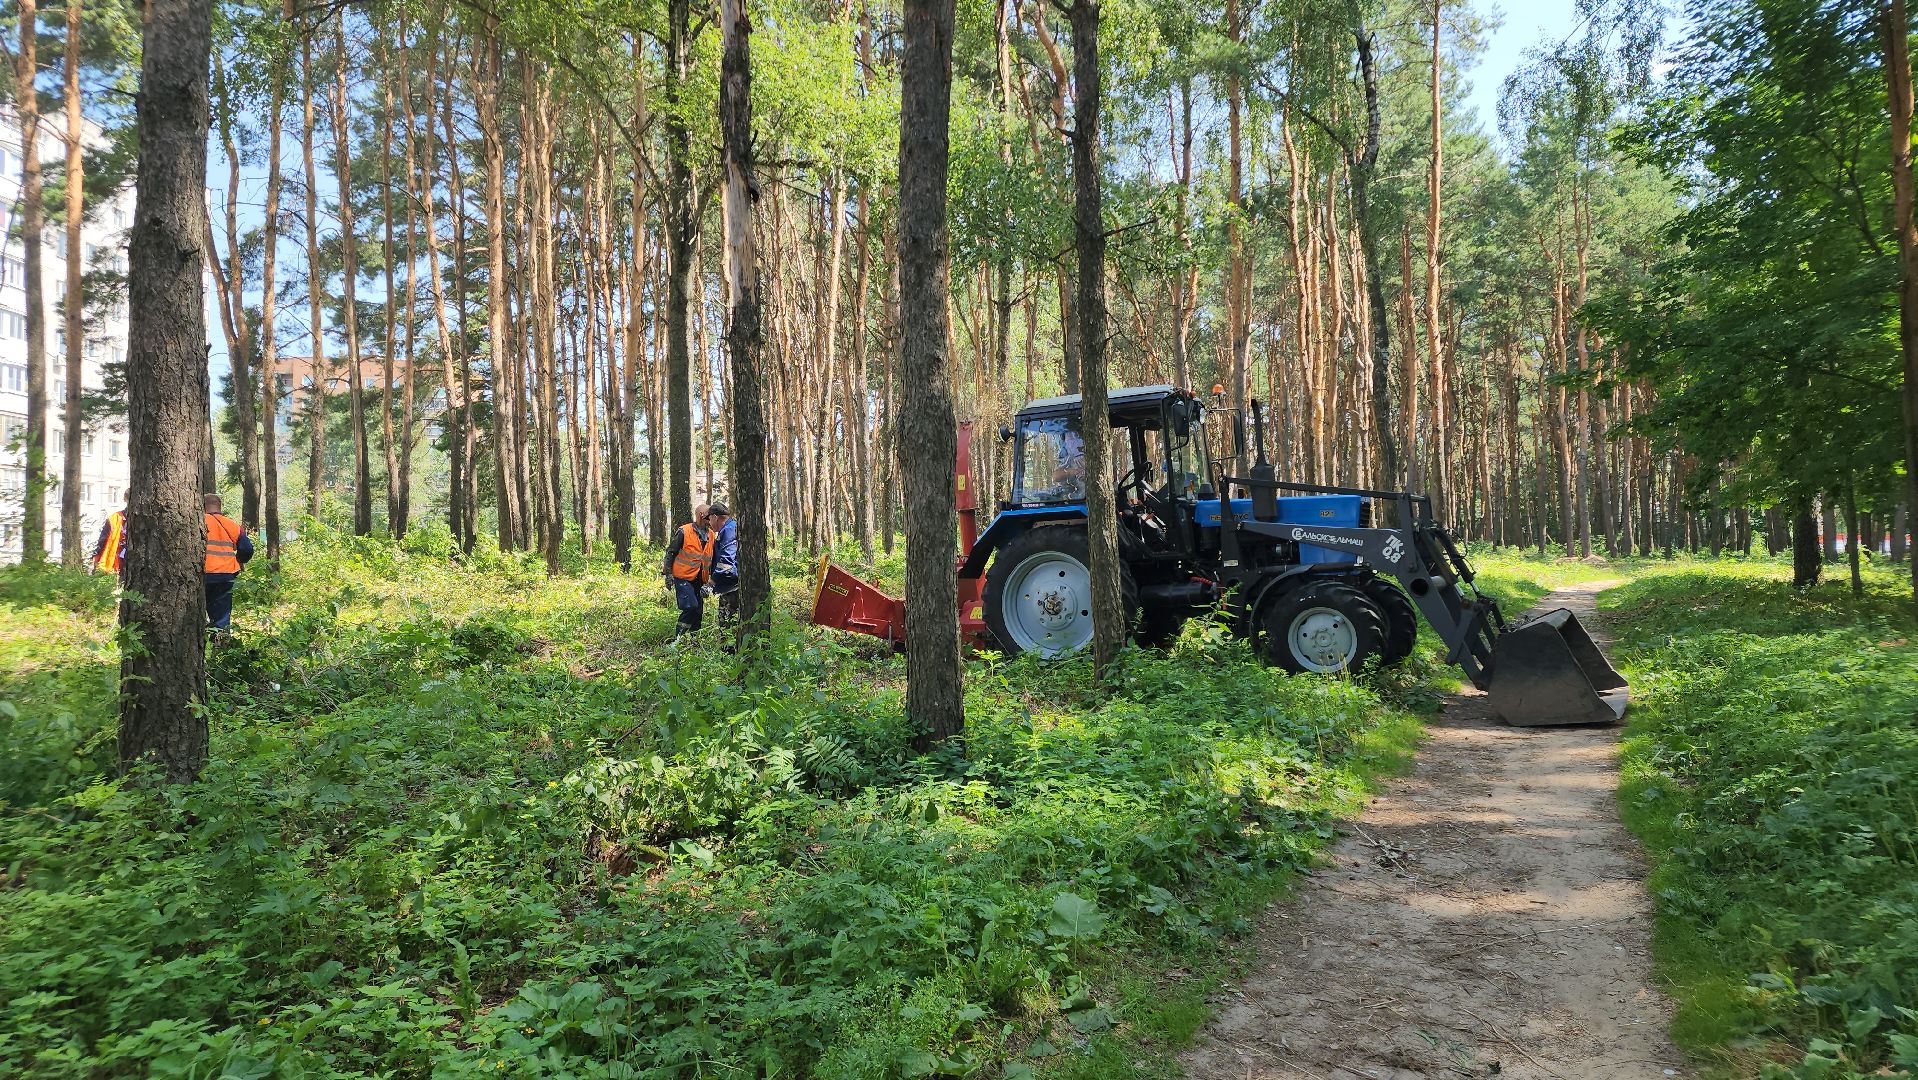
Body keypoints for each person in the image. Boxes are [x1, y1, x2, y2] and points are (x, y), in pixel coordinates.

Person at [663, 503, 718, 638]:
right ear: (701, 516)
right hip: (683, 577)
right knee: (690, 606)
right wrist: (668, 574)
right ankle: (677, 639)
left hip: (700, 578)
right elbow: (671, 552)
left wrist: (711, 582)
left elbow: (712, 558)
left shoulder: (711, 535)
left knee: (698, 611)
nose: (711, 521)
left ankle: (694, 640)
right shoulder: (684, 531)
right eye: (709, 517)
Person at [203, 493, 254, 632]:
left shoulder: (198, 522)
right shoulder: (232, 525)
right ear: (220, 507)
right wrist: (239, 560)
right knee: (221, 617)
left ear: (202, 506)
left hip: (201, 575)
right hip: (226, 576)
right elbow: (247, 549)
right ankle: (221, 646)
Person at [708, 503, 739, 625]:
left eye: (709, 518)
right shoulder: (729, 529)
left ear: (715, 517)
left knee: (727, 626)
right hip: (728, 586)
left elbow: (726, 560)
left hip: (731, 587)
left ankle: (728, 645)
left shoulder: (729, 530)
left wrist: (712, 582)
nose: (709, 523)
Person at [91, 501, 128, 579]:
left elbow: (102, 540)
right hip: (116, 561)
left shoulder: (115, 517)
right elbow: (103, 540)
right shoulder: (114, 518)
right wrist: (96, 556)